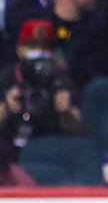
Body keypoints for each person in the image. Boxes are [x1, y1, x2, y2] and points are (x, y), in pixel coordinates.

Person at [0, 20, 83, 149]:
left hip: (50, 147)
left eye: (45, 46)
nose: (39, 51)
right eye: (32, 45)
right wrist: (6, 107)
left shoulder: (61, 79)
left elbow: (77, 130)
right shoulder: (6, 78)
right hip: (10, 148)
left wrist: (66, 111)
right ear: (19, 49)